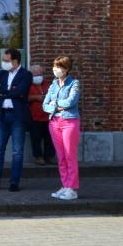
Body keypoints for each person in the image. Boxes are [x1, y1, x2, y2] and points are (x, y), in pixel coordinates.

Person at [0, 49, 32, 192]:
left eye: (6, 60)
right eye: (3, 60)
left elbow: (21, 91)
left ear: (16, 61)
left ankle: (14, 182)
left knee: (17, 152)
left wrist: (3, 90)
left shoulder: (26, 75)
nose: (4, 63)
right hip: (2, 116)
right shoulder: (1, 73)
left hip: (18, 117)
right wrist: (9, 91)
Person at [43, 56, 81, 201]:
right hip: (54, 122)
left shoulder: (74, 83)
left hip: (69, 122)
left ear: (66, 69)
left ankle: (72, 189)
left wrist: (56, 103)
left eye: (59, 67)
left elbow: (71, 101)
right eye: (54, 66)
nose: (55, 69)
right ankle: (65, 185)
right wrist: (54, 105)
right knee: (61, 157)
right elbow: (45, 104)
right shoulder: (53, 84)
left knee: (69, 155)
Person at [28, 64, 55, 166]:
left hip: (48, 116)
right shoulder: (28, 85)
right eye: (35, 74)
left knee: (49, 138)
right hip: (34, 117)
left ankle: (49, 156)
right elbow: (25, 98)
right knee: (36, 138)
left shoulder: (48, 84)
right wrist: (37, 97)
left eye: (39, 73)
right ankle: (38, 157)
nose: (38, 75)